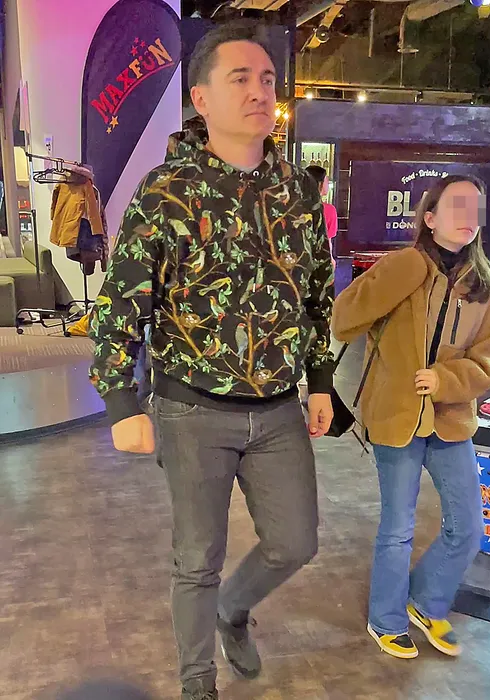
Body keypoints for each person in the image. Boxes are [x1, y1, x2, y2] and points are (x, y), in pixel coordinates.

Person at [88, 20, 334, 700]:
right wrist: (121, 402)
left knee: (296, 543)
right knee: (196, 559)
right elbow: (120, 303)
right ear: (200, 97)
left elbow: (317, 293)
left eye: (267, 80)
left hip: (278, 411)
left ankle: (234, 609)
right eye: (240, 78)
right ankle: (197, 683)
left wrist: (320, 381)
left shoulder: (297, 191)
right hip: (191, 409)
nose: (260, 91)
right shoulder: (167, 191)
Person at [332, 175, 490, 660]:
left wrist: (445, 379)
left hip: (451, 419)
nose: (467, 217)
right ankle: (385, 619)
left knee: (468, 526)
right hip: (396, 416)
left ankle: (426, 602)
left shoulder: (485, 288)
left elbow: (486, 364)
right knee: (398, 528)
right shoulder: (403, 266)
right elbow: (343, 319)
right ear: (430, 218)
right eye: (456, 206)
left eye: (475, 208)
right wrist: (402, 272)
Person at [305, 165, 337, 262]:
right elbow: (328, 241)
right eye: (327, 181)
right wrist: (331, 260)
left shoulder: (293, 207)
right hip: (318, 260)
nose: (328, 184)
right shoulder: (329, 210)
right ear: (320, 184)